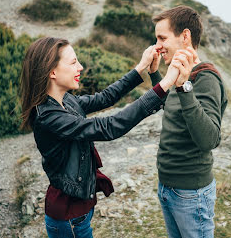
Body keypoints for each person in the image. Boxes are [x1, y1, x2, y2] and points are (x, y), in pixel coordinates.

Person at [19, 37, 181, 238]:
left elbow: (105, 98)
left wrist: (140, 68)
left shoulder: (65, 100)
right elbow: (109, 127)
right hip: (68, 217)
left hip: (79, 210)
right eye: (73, 62)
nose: (80, 67)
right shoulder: (50, 118)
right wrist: (164, 84)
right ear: (52, 72)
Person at [148, 6, 228, 238]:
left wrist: (184, 87)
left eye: (162, 38)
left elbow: (210, 139)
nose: (157, 46)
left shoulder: (205, 78)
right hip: (169, 187)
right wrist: (156, 75)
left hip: (192, 193)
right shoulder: (182, 73)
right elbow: (174, 110)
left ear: (185, 36)